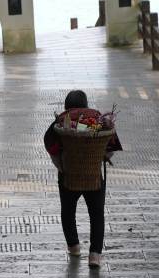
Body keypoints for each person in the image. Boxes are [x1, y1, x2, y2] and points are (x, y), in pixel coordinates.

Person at [43, 90, 122, 268]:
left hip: (69, 175)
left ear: (66, 106)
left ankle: (74, 246)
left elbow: (50, 144)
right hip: (94, 176)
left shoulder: (61, 121)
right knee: (96, 214)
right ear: (85, 104)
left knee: (68, 211)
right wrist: (99, 156)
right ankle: (95, 255)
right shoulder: (98, 120)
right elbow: (111, 144)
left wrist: (61, 166)